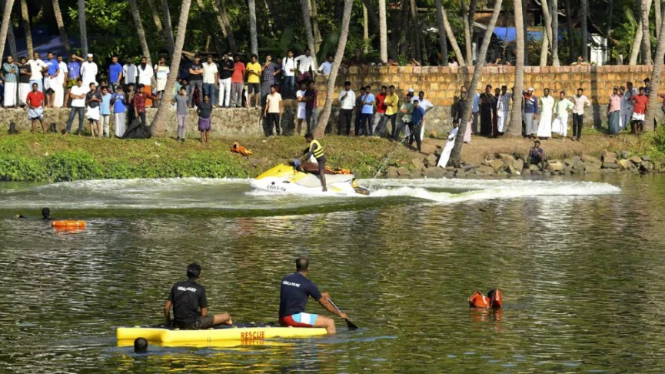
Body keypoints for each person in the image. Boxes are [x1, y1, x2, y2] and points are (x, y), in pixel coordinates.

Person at [279, 258, 347, 334]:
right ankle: (328, 344)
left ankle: (291, 327)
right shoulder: (308, 284)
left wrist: (319, 295)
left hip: (282, 318)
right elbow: (326, 304)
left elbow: (297, 293)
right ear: (308, 268)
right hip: (295, 318)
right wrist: (339, 313)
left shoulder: (285, 279)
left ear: (295, 267)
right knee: (330, 322)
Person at [164, 263, 232, 330]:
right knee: (226, 316)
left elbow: (166, 307)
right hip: (193, 324)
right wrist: (206, 322)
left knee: (197, 313)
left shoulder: (176, 285)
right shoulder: (200, 289)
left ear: (187, 274)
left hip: (176, 323)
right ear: (199, 275)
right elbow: (204, 314)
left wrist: (168, 322)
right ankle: (227, 320)